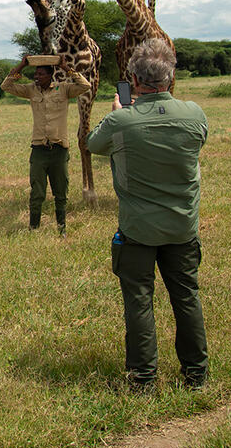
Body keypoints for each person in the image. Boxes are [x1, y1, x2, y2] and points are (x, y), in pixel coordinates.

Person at [86, 39, 209, 391]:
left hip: (138, 229)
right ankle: (196, 375)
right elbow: (198, 142)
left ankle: (142, 379)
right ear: (170, 80)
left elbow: (93, 144)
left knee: (139, 301)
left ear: (134, 82)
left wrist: (117, 112)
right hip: (183, 226)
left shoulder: (122, 120)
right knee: (187, 297)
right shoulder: (194, 113)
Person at [1, 56, 91, 235]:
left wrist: (66, 68)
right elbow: (6, 86)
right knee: (37, 192)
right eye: (36, 73)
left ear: (51, 75)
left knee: (60, 192)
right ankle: (33, 227)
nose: (37, 76)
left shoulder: (63, 89)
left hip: (59, 149)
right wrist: (21, 66)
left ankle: (61, 227)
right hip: (39, 149)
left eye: (41, 74)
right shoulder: (31, 90)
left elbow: (85, 86)